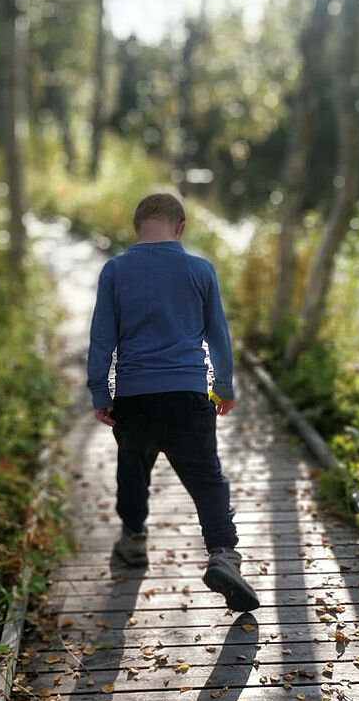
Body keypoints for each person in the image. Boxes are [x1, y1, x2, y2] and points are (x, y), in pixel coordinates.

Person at [86, 191, 259, 613]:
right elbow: (217, 334)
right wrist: (224, 386)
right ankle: (223, 553)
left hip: (135, 396)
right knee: (207, 479)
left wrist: (99, 392)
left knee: (133, 471)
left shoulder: (115, 271)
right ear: (180, 228)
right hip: (187, 394)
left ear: (136, 226)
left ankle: (133, 542)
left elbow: (102, 339)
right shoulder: (199, 269)